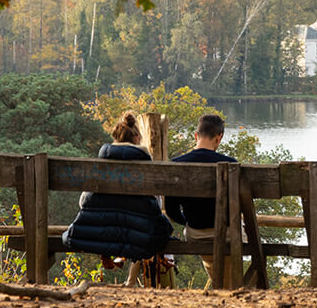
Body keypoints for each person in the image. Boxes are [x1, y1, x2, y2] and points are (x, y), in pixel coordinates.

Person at [62, 113, 174, 270]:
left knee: (111, 222)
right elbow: (156, 203)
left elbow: (83, 202)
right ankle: (125, 255)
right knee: (160, 226)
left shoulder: (102, 163)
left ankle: (108, 253)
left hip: (103, 232)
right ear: (136, 139)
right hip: (136, 235)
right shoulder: (144, 165)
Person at [165, 113, 238, 281]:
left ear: (196, 135)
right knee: (227, 272)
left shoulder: (176, 164)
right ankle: (227, 292)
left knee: (216, 270)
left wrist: (189, 222)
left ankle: (222, 289)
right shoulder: (231, 164)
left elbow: (171, 210)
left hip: (196, 233)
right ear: (219, 138)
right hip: (227, 234)